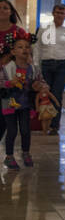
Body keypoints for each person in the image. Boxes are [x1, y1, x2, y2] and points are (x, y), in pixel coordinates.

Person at [33, 2, 65, 135]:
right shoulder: (43, 27)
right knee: (45, 92)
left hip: (64, 64)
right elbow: (37, 47)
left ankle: (54, 125)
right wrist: (36, 66)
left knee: (57, 92)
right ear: (53, 13)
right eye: (57, 12)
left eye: (62, 12)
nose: (60, 15)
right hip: (46, 64)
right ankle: (44, 123)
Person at [2, 35, 41, 168]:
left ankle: (26, 153)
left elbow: (40, 82)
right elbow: (1, 82)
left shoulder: (33, 68)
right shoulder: (7, 68)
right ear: (13, 52)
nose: (24, 49)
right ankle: (9, 156)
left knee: (25, 130)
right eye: (20, 47)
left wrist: (39, 86)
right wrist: (9, 83)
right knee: (12, 131)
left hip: (25, 104)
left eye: (27, 47)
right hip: (9, 104)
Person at [0, 0, 28, 68]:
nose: (1, 10)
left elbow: (26, 53)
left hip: (13, 73)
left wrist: (9, 56)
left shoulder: (19, 32)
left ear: (11, 12)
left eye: (5, 8)